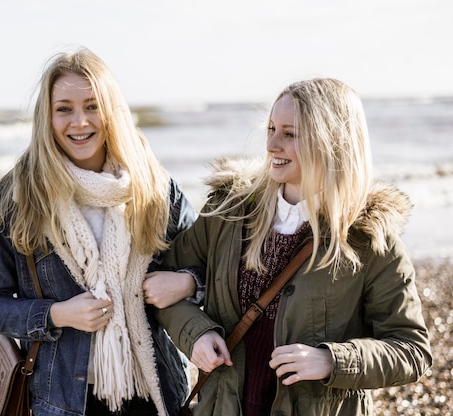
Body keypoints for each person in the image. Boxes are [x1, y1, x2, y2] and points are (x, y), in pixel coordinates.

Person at [152, 78, 432, 415]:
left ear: (331, 143)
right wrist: (195, 333)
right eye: (271, 129)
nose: (271, 144)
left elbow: (411, 349)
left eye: (289, 134)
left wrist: (331, 360)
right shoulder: (228, 211)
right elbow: (161, 284)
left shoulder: (370, 240)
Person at [0, 47, 200, 416]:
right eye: (64, 109)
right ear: (47, 116)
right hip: (62, 400)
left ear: (112, 111)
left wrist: (187, 283)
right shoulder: (15, 199)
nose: (79, 122)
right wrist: (57, 314)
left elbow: (206, 266)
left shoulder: (154, 188)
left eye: (92, 106)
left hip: (154, 392)